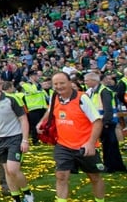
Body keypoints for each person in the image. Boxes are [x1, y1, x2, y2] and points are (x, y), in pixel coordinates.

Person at [38, 72, 106, 202]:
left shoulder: (82, 99)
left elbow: (97, 121)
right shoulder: (55, 97)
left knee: (94, 177)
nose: (59, 86)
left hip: (85, 146)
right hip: (63, 145)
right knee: (61, 176)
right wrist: (41, 122)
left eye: (62, 83)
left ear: (70, 83)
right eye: (55, 84)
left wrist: (91, 143)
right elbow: (50, 110)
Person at [83, 72, 126, 172]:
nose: (85, 82)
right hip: (104, 122)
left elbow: (108, 109)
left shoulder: (103, 91)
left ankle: (110, 166)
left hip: (106, 123)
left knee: (109, 146)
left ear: (94, 81)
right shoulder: (95, 91)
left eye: (87, 80)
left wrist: (104, 123)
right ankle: (116, 166)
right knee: (110, 145)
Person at [20, 71, 48, 146]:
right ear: (31, 77)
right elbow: (33, 91)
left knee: (43, 124)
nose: (37, 77)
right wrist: (33, 83)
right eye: (36, 76)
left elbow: (43, 94)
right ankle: (35, 140)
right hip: (33, 108)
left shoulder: (39, 85)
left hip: (42, 106)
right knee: (35, 125)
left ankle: (43, 139)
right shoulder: (26, 85)